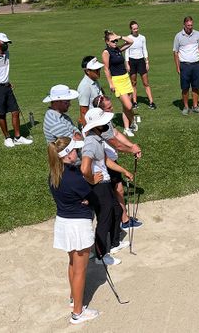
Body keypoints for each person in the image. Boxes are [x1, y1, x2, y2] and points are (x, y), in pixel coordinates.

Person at [47, 137, 99, 325]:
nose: (77, 153)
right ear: (67, 155)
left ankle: (73, 298)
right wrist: (89, 192)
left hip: (63, 222)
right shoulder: (75, 177)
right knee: (80, 270)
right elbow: (92, 197)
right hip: (78, 225)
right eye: (75, 150)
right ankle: (78, 312)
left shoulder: (55, 174)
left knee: (72, 263)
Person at [81, 108, 134, 265]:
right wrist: (91, 179)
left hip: (104, 183)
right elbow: (84, 168)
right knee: (104, 219)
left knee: (116, 211)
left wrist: (125, 171)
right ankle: (100, 255)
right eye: (103, 123)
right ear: (96, 126)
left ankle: (114, 244)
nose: (106, 125)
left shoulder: (98, 139)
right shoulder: (90, 142)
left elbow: (106, 160)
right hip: (99, 187)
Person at [92, 95, 143, 230]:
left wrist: (132, 146)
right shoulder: (101, 124)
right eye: (109, 108)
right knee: (116, 191)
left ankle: (123, 219)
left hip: (110, 160)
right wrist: (131, 150)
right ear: (100, 110)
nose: (112, 108)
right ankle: (122, 220)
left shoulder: (106, 120)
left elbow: (117, 134)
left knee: (118, 190)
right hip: (104, 164)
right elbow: (116, 144)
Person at [173, 16, 199, 115]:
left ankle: (195, 106)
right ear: (184, 25)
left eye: (191, 25)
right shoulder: (178, 36)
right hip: (184, 65)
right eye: (188, 25)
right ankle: (186, 107)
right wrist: (177, 66)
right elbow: (175, 52)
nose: (190, 27)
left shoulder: (197, 34)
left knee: (196, 87)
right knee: (185, 88)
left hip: (196, 65)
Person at [102, 30, 135, 137]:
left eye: (116, 40)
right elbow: (106, 69)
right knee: (129, 106)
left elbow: (131, 42)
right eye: (113, 40)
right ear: (107, 42)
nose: (115, 42)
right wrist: (110, 83)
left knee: (126, 107)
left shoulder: (118, 49)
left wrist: (120, 36)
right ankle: (133, 120)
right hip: (117, 81)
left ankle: (126, 128)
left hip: (126, 78)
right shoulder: (106, 52)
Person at [125, 20, 156, 110]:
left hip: (141, 61)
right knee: (133, 83)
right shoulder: (128, 38)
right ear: (131, 29)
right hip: (132, 61)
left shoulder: (142, 38)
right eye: (134, 29)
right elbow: (127, 51)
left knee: (146, 83)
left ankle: (151, 102)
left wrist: (147, 62)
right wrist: (127, 64)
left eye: (137, 28)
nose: (136, 30)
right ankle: (134, 102)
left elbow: (144, 49)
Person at [77, 56, 104, 125]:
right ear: (87, 71)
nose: (99, 72)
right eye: (96, 70)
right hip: (93, 123)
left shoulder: (94, 80)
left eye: (99, 69)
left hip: (99, 119)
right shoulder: (85, 86)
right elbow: (83, 111)